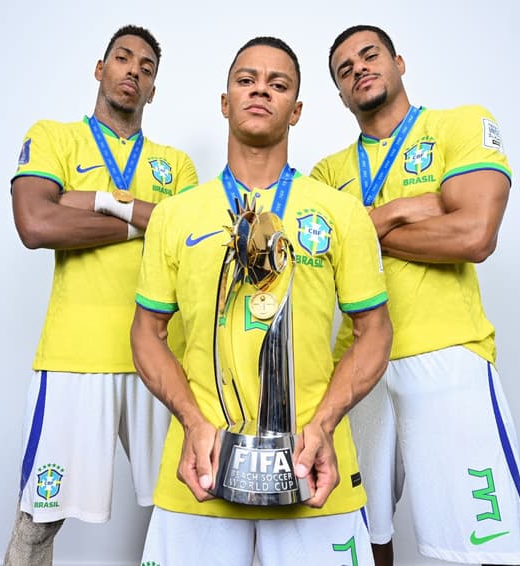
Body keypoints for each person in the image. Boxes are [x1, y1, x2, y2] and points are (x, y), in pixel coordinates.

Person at [130, 36, 394, 566]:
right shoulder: (174, 216)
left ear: (296, 111)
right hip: (199, 468)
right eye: (246, 80)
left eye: (278, 85)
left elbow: (376, 331)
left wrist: (323, 425)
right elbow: (145, 333)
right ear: (224, 102)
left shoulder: (341, 213)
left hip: (312, 464)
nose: (260, 91)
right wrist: (191, 420)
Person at [310, 25, 520, 566]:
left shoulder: (460, 124)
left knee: (491, 545)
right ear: (339, 93)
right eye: (344, 69)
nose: (359, 68)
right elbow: (324, 264)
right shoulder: (325, 175)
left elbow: (474, 235)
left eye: (370, 55)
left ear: (399, 62)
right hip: (358, 364)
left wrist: (368, 226)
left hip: (446, 356)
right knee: (359, 544)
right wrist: (417, 205)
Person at [4, 25, 198, 566]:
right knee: (38, 521)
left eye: (147, 67)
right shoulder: (53, 137)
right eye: (123, 58)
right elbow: (37, 224)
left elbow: (184, 237)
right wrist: (141, 218)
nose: (133, 70)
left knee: (187, 510)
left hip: (160, 356)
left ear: (154, 89)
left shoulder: (176, 164)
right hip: (74, 358)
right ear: (100, 68)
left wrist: (95, 202)